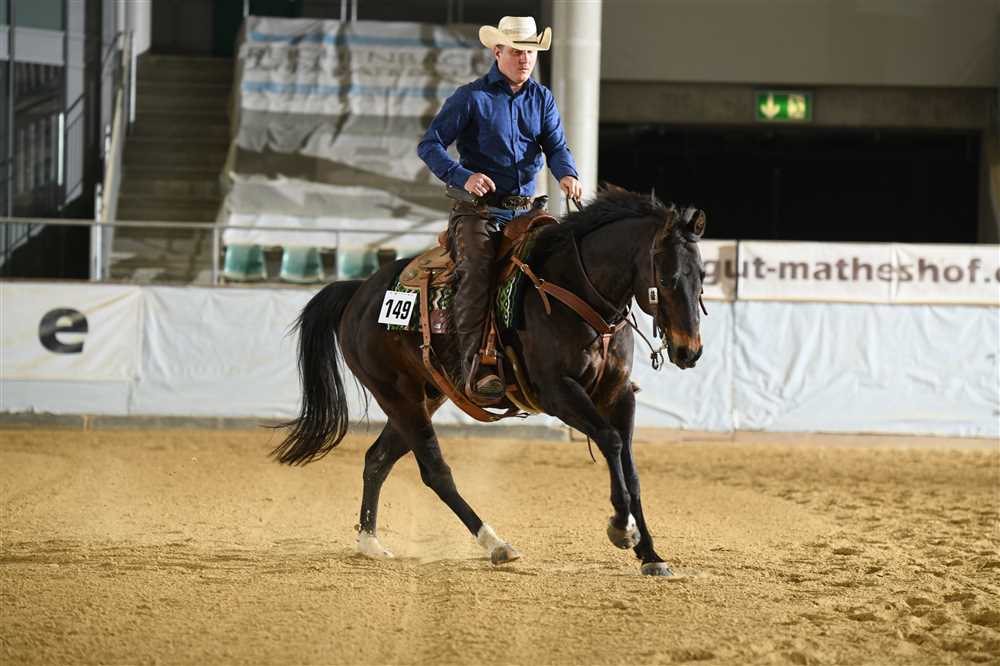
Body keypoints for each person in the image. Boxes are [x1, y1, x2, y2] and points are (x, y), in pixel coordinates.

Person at [417, 15, 582, 405]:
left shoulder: (542, 99)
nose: (525, 59)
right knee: (477, 271)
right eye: (517, 52)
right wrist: (463, 176)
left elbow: (556, 146)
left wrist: (567, 174)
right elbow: (430, 145)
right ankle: (475, 366)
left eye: (530, 52)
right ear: (497, 52)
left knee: (562, 266)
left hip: (526, 212)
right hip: (478, 212)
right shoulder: (471, 97)